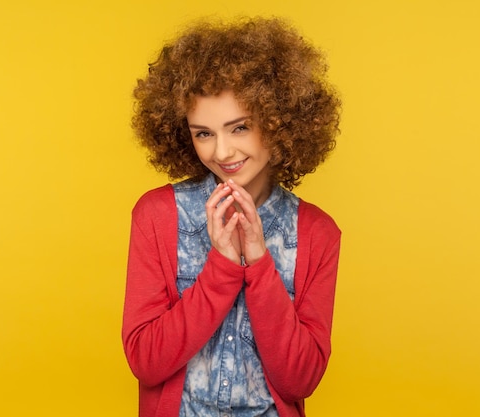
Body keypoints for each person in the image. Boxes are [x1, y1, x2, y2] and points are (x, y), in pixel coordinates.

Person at [122, 17, 342, 417]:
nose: (222, 153)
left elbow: (300, 380)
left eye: (239, 128)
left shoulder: (316, 233)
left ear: (279, 123)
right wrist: (222, 266)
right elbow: (145, 363)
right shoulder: (157, 216)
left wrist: (259, 264)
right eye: (203, 133)